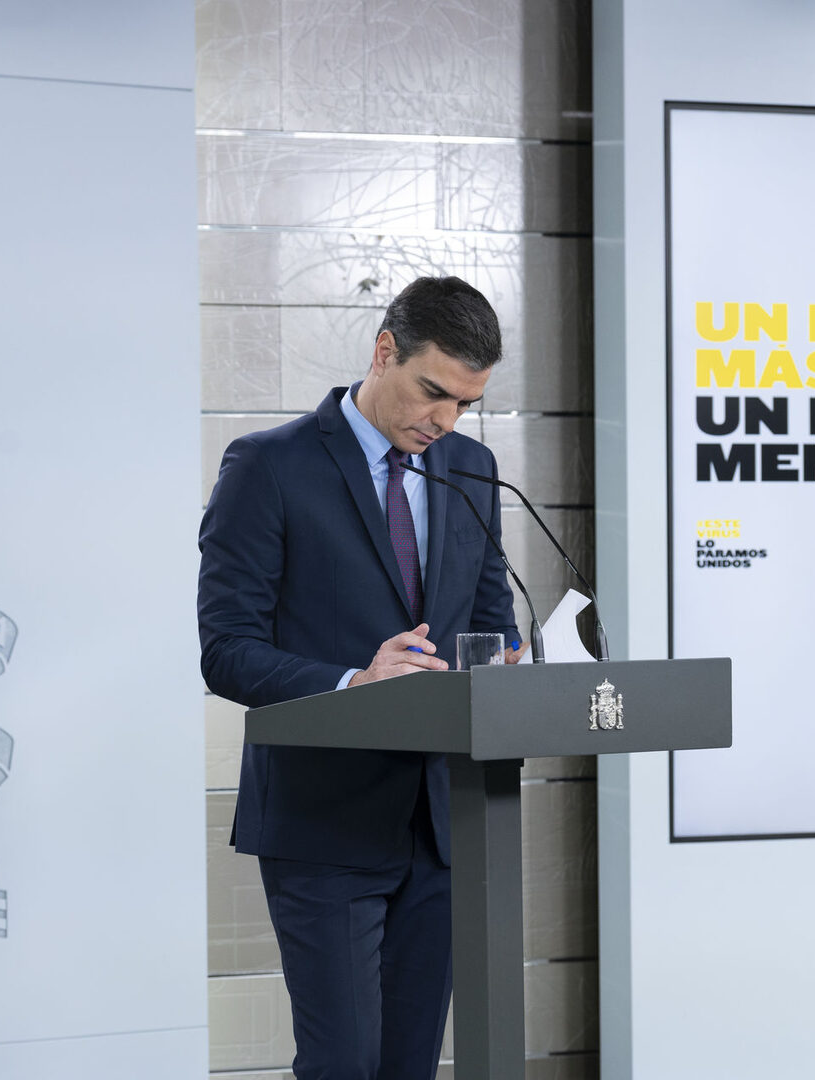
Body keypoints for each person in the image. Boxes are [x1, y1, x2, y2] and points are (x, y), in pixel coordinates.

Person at [198, 275, 524, 1080]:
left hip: (444, 823)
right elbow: (226, 649)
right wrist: (353, 681)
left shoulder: (470, 467)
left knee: (411, 1066)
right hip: (325, 823)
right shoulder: (269, 466)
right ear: (383, 352)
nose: (444, 421)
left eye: (465, 404)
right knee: (343, 1064)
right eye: (433, 392)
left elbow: (490, 624)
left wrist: (509, 667)